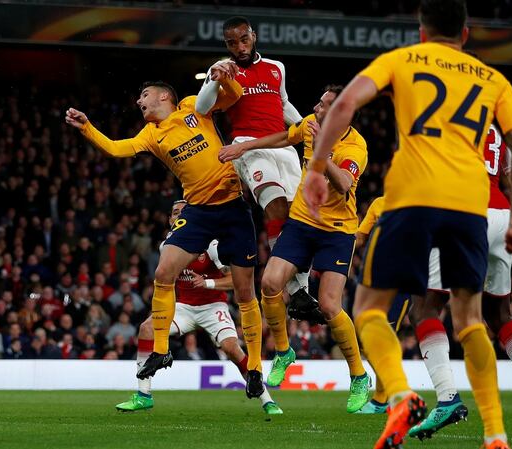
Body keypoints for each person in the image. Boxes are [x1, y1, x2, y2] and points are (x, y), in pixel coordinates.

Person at [303, 1, 512, 448]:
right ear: (465, 34)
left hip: (411, 199)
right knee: (470, 320)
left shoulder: (403, 59)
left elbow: (346, 102)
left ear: (422, 31)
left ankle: (402, 394)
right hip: (470, 206)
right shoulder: (493, 80)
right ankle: (496, 434)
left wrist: (315, 168)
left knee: (369, 308)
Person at [66, 73, 266, 399]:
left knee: (246, 292)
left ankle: (255, 367)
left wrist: (225, 79)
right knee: (163, 272)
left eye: (144, 95)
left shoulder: (192, 106)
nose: (139, 101)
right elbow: (117, 150)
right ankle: (161, 350)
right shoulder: (150, 134)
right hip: (197, 211)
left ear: (163, 97)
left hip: (232, 208)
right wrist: (87, 127)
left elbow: (233, 97)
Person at [407, 124, 512, 439]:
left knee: (425, 307)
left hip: (463, 215)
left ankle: (447, 397)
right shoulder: (494, 129)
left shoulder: (445, 118)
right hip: (502, 218)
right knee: (499, 315)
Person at [219, 85, 371, 412]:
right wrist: (243, 149)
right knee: (270, 284)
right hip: (302, 223)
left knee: (330, 306)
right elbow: (281, 137)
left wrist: (320, 151)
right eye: (319, 101)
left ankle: (359, 375)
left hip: (337, 231)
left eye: (325, 105)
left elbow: (344, 184)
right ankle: (284, 351)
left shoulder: (355, 146)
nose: (316, 108)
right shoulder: (309, 126)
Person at [195, 16, 323, 323]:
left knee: (299, 218)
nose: (239, 47)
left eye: (243, 39)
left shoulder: (276, 67)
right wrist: (214, 77)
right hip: (248, 147)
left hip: (284, 146)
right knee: (275, 206)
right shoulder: (224, 70)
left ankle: (300, 292)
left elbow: (283, 104)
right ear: (225, 44)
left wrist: (309, 125)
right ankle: (296, 289)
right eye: (231, 42)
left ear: (254, 36)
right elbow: (202, 108)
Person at [115, 201, 281, 414]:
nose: (179, 216)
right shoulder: (167, 245)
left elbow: (237, 281)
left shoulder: (210, 244)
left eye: (184, 212)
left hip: (213, 306)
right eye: (175, 213)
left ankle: (267, 399)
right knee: (147, 329)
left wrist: (208, 283)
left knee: (232, 348)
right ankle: (143, 396)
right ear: (169, 220)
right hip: (183, 307)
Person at [352, 196, 412, 415]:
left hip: (402, 281)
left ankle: (383, 398)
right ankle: (391, 392)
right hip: (376, 281)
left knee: (385, 337)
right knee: (369, 339)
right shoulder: (378, 204)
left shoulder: (416, 203)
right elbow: (359, 236)